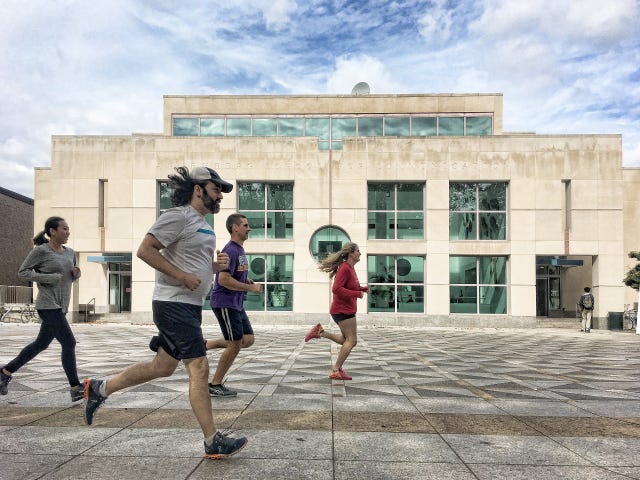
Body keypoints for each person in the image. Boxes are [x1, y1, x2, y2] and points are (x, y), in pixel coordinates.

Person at [82, 166, 248, 459]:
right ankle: (212, 441)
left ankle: (99, 388)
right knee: (199, 368)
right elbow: (145, 250)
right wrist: (183, 276)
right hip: (173, 303)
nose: (220, 195)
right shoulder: (178, 216)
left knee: (163, 366)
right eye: (215, 189)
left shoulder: (204, 225)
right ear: (198, 189)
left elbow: (193, 265)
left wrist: (213, 268)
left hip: (189, 305)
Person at [0, 217, 83, 401]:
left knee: (41, 344)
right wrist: (48, 278)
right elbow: (23, 272)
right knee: (69, 343)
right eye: (64, 229)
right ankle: (75, 387)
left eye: (68, 229)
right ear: (52, 231)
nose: (68, 232)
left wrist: (76, 274)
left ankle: (5, 372)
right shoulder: (41, 251)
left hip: (62, 305)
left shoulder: (70, 252)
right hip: (47, 305)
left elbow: (71, 275)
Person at [205, 213, 261, 397]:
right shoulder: (230, 250)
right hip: (225, 303)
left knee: (248, 339)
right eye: (245, 225)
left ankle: (205, 344)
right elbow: (223, 279)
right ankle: (215, 384)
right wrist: (249, 288)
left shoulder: (240, 250)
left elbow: (234, 274)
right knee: (235, 344)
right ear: (235, 228)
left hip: (235, 303)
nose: (249, 228)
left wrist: (246, 279)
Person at [304, 242, 368, 380]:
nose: (360, 253)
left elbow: (349, 286)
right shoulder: (345, 268)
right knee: (352, 340)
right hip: (342, 309)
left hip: (345, 309)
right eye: (358, 251)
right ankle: (335, 370)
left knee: (347, 339)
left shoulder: (350, 268)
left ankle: (320, 332)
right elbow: (336, 289)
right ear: (351, 253)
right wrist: (357, 294)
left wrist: (362, 289)